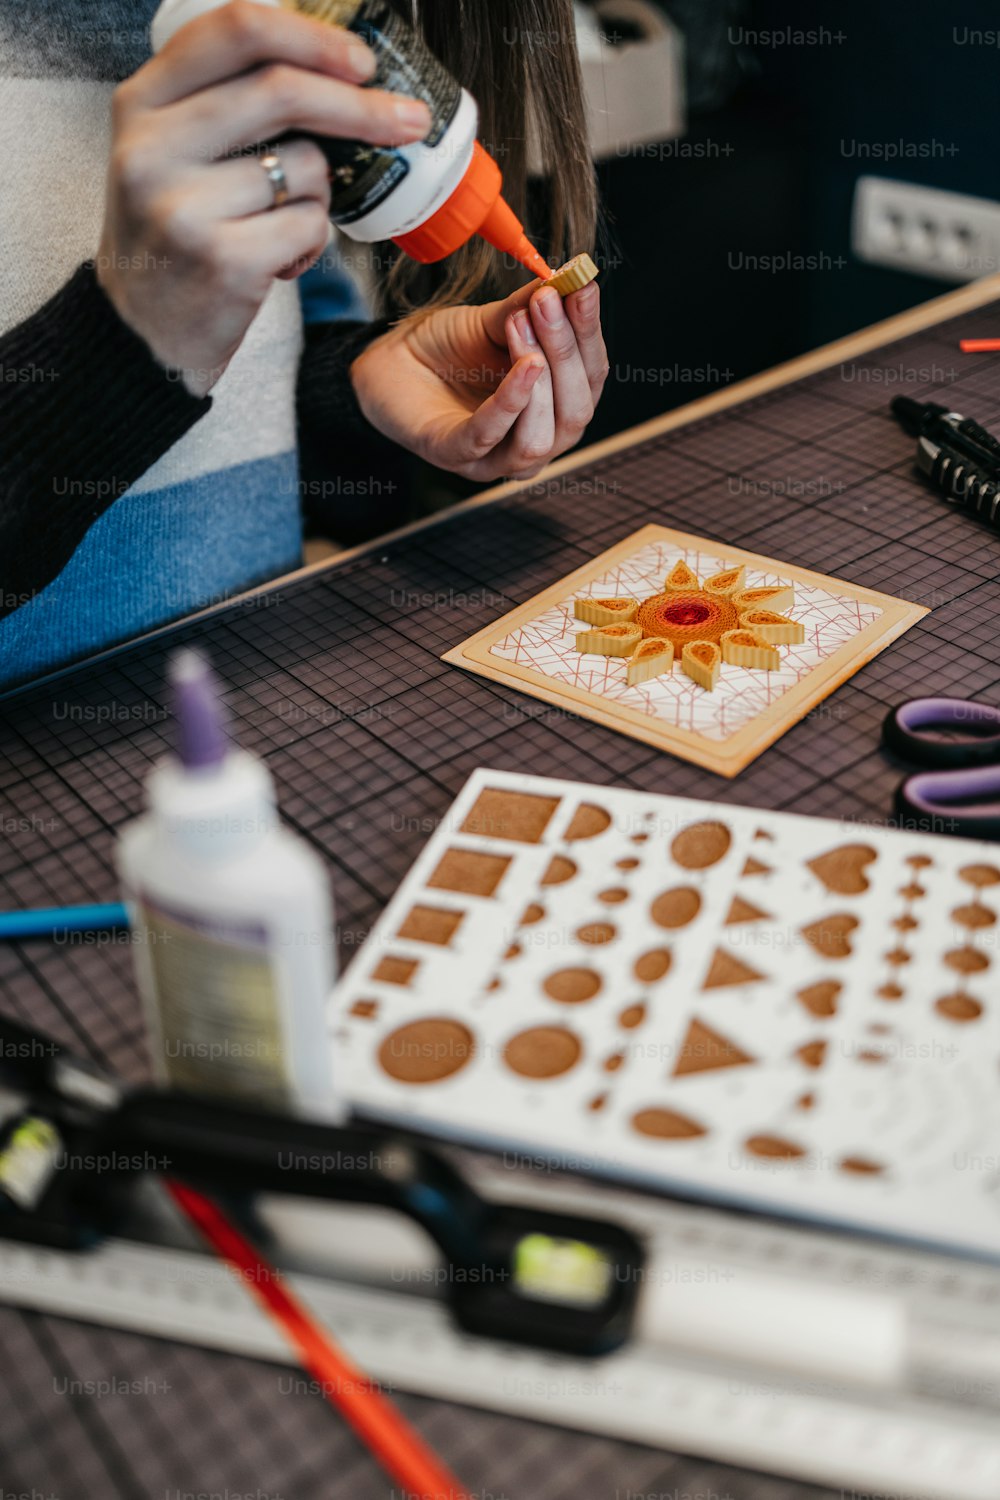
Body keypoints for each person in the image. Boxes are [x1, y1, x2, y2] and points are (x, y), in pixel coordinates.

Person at [0, 0, 608, 688]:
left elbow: (266, 348)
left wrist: (353, 388)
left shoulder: (268, 26)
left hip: (258, 677)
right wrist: (124, 350)